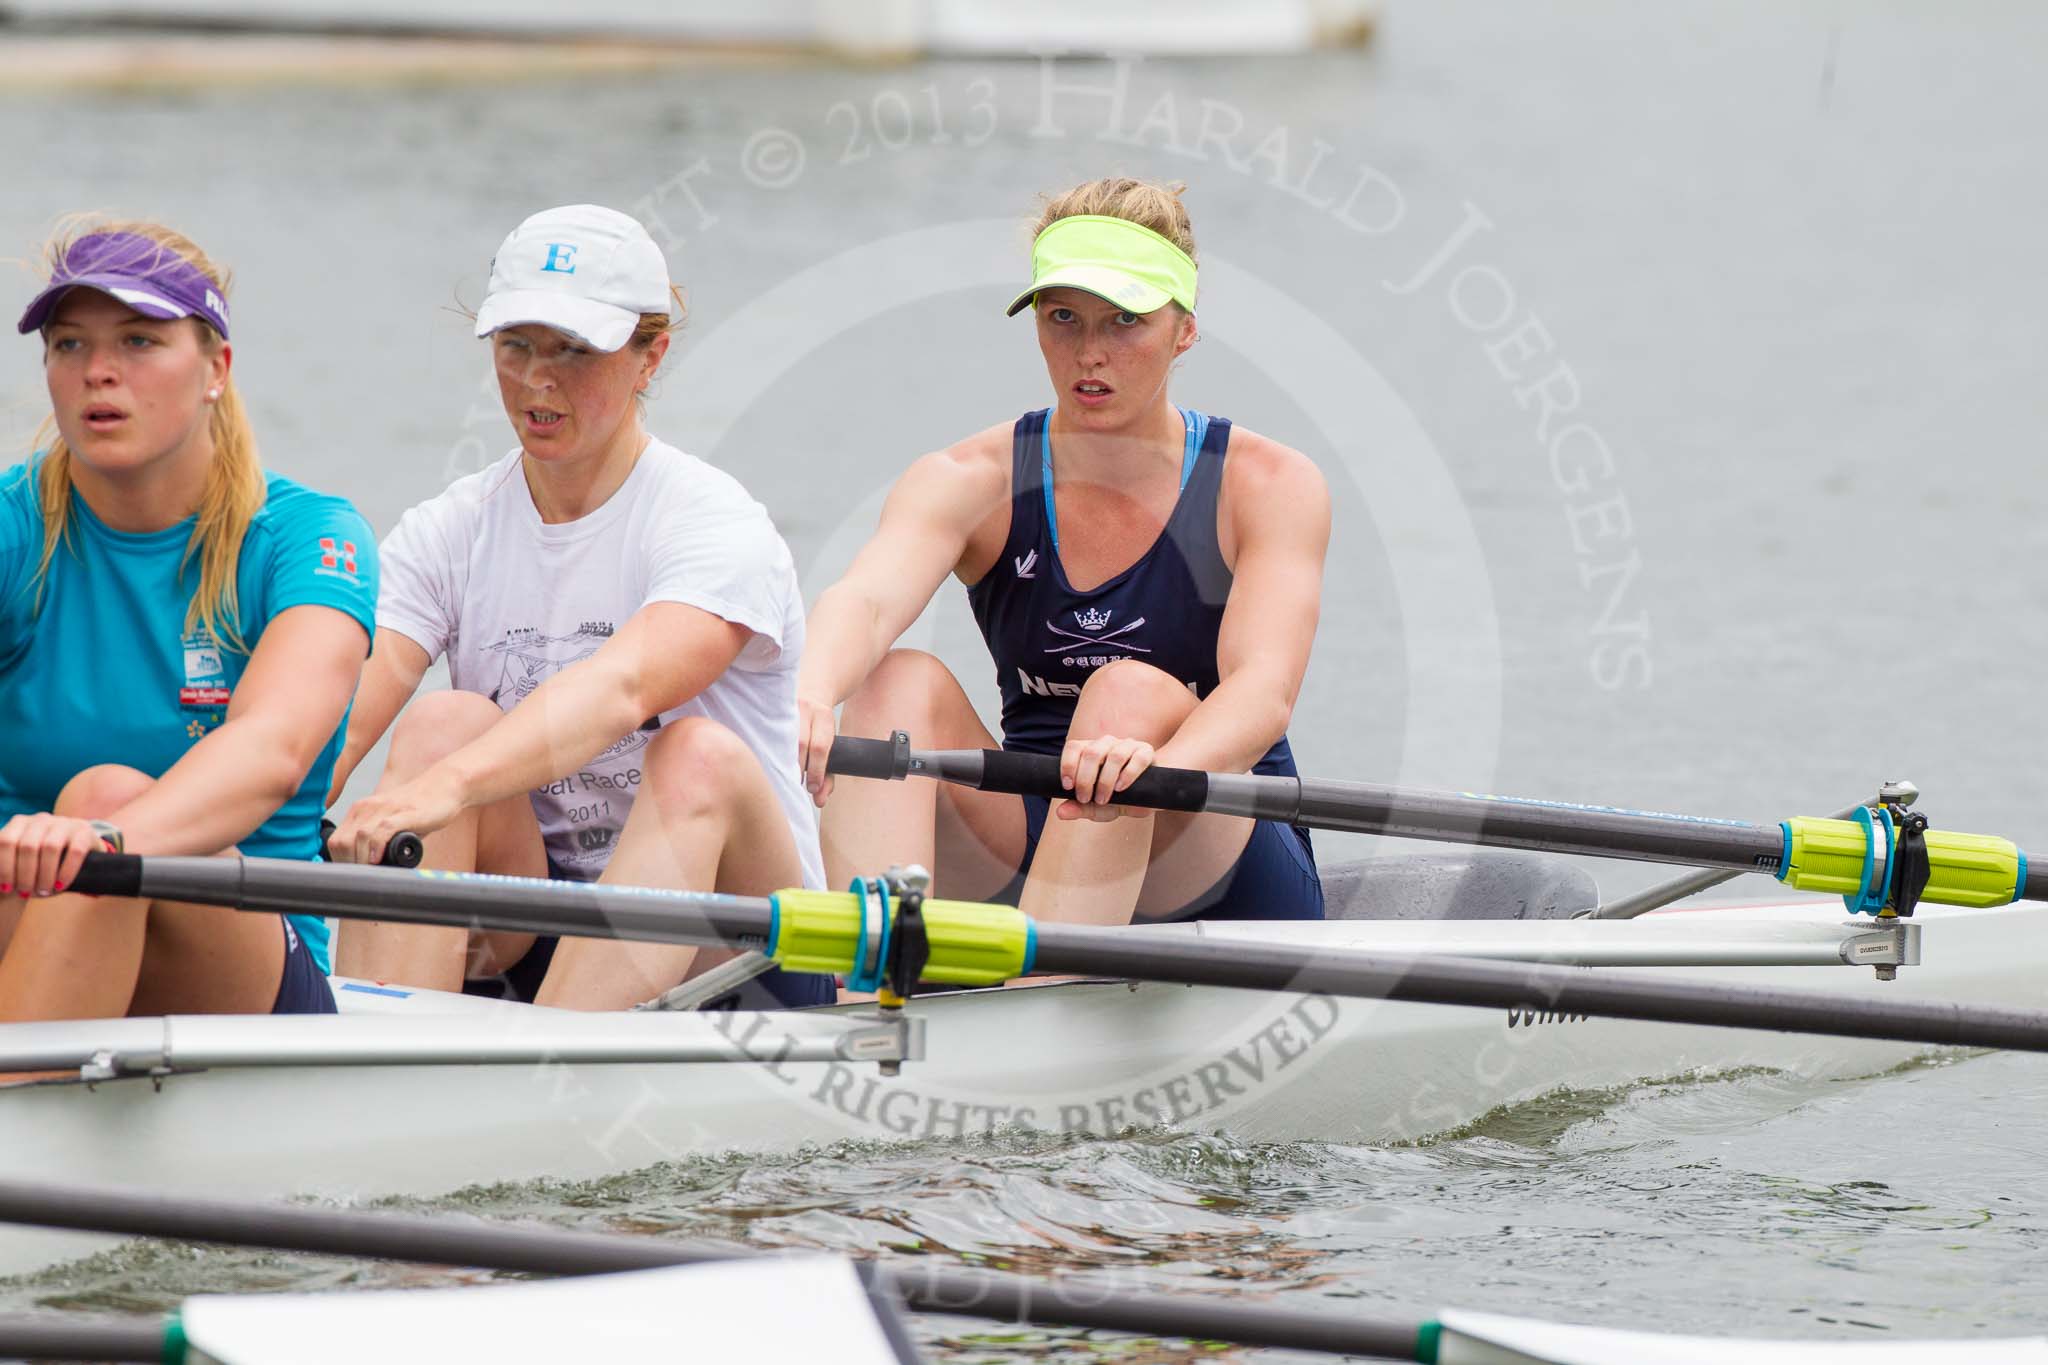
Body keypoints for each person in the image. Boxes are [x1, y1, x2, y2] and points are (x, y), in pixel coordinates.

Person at [327, 204, 832, 1011]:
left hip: (739, 947)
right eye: (516, 346)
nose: (537, 380)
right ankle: (374, 1058)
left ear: (649, 356)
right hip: (545, 929)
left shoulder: (711, 522)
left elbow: (623, 690)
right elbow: (339, 712)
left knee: (694, 751)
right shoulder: (450, 529)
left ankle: (533, 1078)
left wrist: (447, 790)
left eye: (575, 350)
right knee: (439, 723)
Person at [797, 178, 1330, 929]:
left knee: (1125, 696)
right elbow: (867, 599)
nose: (1090, 353)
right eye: (1064, 319)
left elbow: (1263, 693)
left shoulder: (1268, 483)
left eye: (1126, 322)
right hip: (1041, 829)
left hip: (1215, 841)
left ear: (1185, 331)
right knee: (894, 683)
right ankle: (856, 1001)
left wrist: (1151, 772)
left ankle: (1029, 1012)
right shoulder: (966, 480)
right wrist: (812, 693)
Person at [0, 218, 377, 1023]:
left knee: (105, 799)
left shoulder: (307, 539)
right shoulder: (12, 527)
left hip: (242, 970)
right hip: (22, 925)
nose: (99, 372)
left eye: (138, 341)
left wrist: (99, 842)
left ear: (216, 368)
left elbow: (271, 751)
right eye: (69, 345)